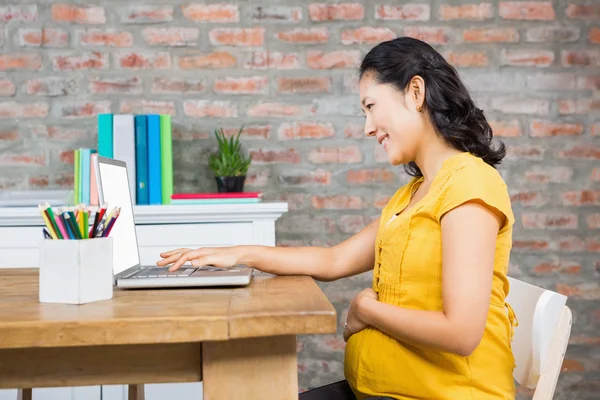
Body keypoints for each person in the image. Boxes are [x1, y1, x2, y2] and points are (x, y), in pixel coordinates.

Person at [157, 37, 517, 400]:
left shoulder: (470, 183)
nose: (368, 128)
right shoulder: (412, 196)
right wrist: (238, 254)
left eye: (372, 106)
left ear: (416, 92)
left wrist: (366, 309)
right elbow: (333, 260)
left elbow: (461, 333)